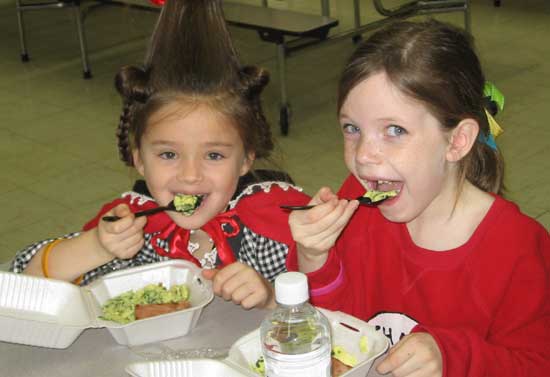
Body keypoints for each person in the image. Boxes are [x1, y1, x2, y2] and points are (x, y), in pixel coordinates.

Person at [287, 19, 550, 377]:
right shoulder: (357, 202)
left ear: (457, 141)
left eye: (394, 130)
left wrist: (452, 358)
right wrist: (315, 258)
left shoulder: (517, 246)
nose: (363, 155)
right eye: (352, 129)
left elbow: (536, 364)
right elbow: (333, 330)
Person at [10, 0, 309, 310]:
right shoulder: (138, 230)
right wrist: (97, 246)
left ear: (247, 158)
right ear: (139, 159)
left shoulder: (274, 231)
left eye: (214, 156)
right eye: (168, 154)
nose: (190, 175)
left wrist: (272, 299)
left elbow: (335, 316)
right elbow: (23, 283)